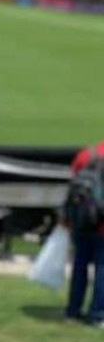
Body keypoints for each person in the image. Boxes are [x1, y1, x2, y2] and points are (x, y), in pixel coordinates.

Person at [64, 139, 104, 326]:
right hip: (101, 222)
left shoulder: (87, 153)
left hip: (82, 221)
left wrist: (66, 217)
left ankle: (73, 311)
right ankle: (97, 315)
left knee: (79, 266)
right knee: (102, 269)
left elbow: (71, 186)